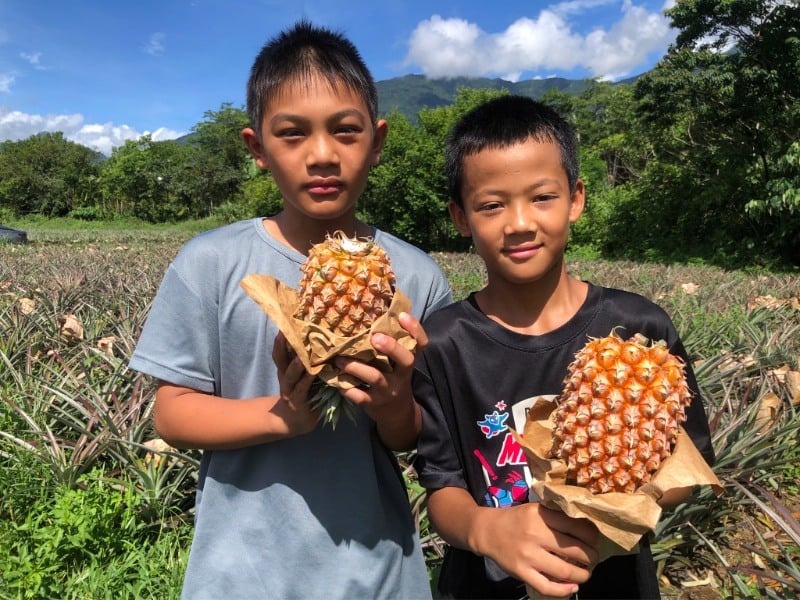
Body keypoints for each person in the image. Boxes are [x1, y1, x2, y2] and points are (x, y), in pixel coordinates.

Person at [129, 20, 452, 599]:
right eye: (293, 134)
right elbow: (171, 414)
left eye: (346, 132)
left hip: (378, 574)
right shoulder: (210, 263)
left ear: (376, 142)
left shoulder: (418, 275)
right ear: (257, 148)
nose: (322, 155)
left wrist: (395, 405)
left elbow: (415, 437)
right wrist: (284, 416)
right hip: (240, 575)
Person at [412, 95, 715, 599]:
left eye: (542, 197)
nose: (520, 223)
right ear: (460, 216)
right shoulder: (443, 342)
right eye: (491, 204)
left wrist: (613, 507)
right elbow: (442, 487)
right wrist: (488, 530)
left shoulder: (638, 329)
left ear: (576, 198)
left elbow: (688, 463)